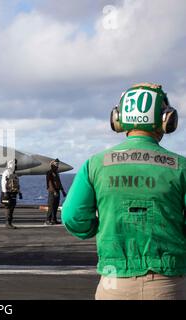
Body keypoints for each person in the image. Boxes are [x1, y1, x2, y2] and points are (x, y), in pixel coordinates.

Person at [62, 83, 185, 300]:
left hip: (114, 282)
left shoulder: (95, 164)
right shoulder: (181, 167)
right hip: (168, 284)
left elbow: (72, 217)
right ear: (166, 119)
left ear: (118, 119)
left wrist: (99, 226)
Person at [1, 159, 23, 229]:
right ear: (11, 164)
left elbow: (17, 184)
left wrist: (19, 192)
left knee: (12, 208)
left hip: (13, 193)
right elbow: (3, 183)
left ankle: (10, 222)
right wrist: (5, 193)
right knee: (8, 208)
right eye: (15, 164)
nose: (16, 165)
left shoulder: (14, 173)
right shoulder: (6, 172)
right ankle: (8, 223)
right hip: (8, 193)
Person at [45, 159, 67, 225]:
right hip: (52, 191)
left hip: (57, 191)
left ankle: (54, 220)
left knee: (56, 206)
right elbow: (50, 183)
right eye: (56, 164)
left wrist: (63, 191)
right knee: (51, 206)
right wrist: (54, 191)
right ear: (52, 164)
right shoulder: (49, 172)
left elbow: (59, 183)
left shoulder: (57, 173)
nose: (57, 165)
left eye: (58, 164)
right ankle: (48, 220)